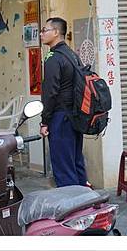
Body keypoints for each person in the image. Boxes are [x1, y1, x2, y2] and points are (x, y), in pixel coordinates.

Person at [39, 17, 89, 188]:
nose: (41, 34)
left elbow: (50, 92)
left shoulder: (53, 57)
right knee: (76, 162)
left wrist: (45, 121)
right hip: (75, 116)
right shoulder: (72, 55)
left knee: (63, 167)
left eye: (45, 30)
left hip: (60, 117)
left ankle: (72, 209)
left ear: (56, 32)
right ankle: (84, 204)